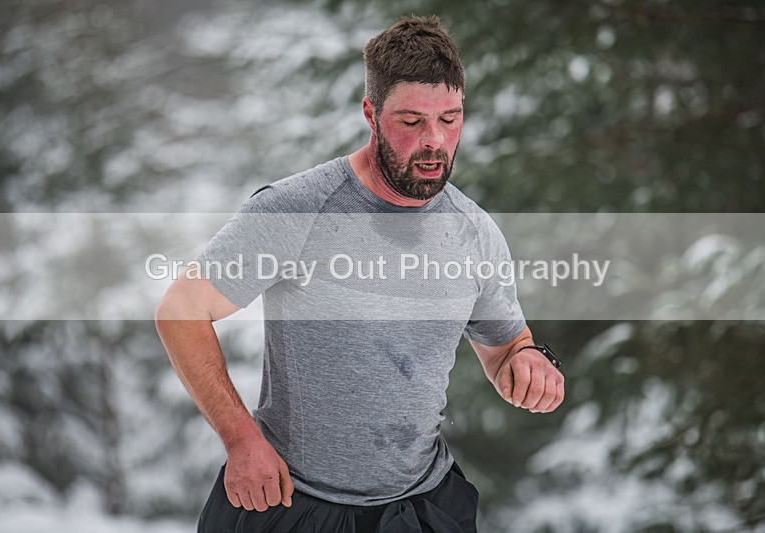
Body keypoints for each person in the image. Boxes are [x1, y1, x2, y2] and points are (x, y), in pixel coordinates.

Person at [155, 15, 565, 533]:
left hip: (420, 510)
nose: (434, 141)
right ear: (371, 113)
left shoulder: (473, 232)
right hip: (292, 506)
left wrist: (528, 363)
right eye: (411, 121)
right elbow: (180, 313)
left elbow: (507, 346)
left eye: (450, 118)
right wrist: (241, 439)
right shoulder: (298, 210)